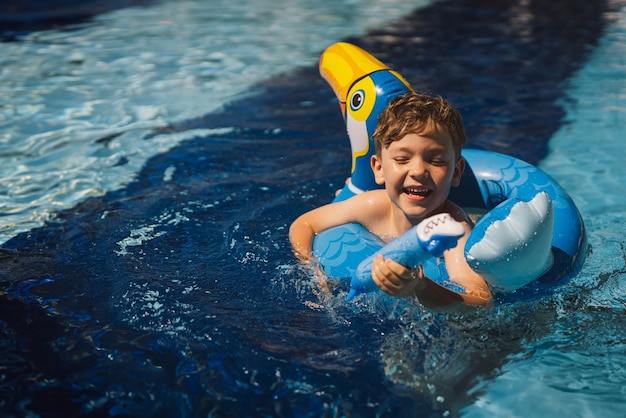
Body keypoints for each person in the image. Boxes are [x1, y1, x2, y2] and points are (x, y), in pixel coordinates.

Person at [289, 92, 493, 307]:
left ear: (456, 172)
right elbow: (304, 224)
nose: (418, 171)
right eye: (402, 159)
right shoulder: (373, 205)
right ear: (379, 169)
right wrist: (313, 273)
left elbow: (481, 301)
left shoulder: (454, 231)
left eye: (436, 160)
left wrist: (420, 288)